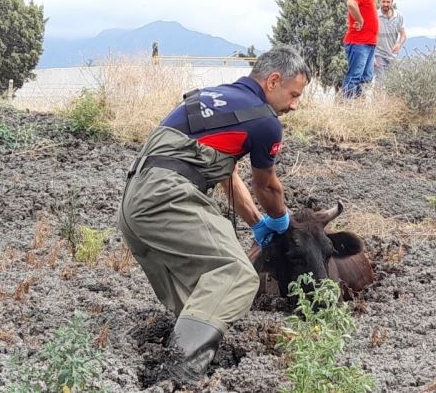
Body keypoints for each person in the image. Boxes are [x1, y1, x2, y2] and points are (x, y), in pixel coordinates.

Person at [117, 46, 310, 384]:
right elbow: (267, 187)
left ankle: (177, 365)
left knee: (201, 296)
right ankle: (180, 375)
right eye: (294, 94)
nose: (294, 105)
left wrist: (257, 224)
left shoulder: (215, 99)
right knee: (237, 275)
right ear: (273, 80)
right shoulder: (265, 121)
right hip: (167, 196)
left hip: (136, 201)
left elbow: (227, 174)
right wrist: (281, 222)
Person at [341, 0, 381, 99]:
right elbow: (351, 4)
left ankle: (357, 105)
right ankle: (346, 105)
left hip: (369, 44)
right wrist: (360, 20)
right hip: (359, 42)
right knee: (354, 76)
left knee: (366, 78)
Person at [374, 0, 406, 80]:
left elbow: (403, 34)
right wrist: (372, 56)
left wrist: (399, 44)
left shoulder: (399, 16)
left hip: (392, 55)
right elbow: (369, 35)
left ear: (392, 2)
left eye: (388, 2)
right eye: (383, 1)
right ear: (380, 1)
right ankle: (378, 94)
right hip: (378, 53)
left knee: (392, 82)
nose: (385, 4)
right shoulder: (375, 15)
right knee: (380, 81)